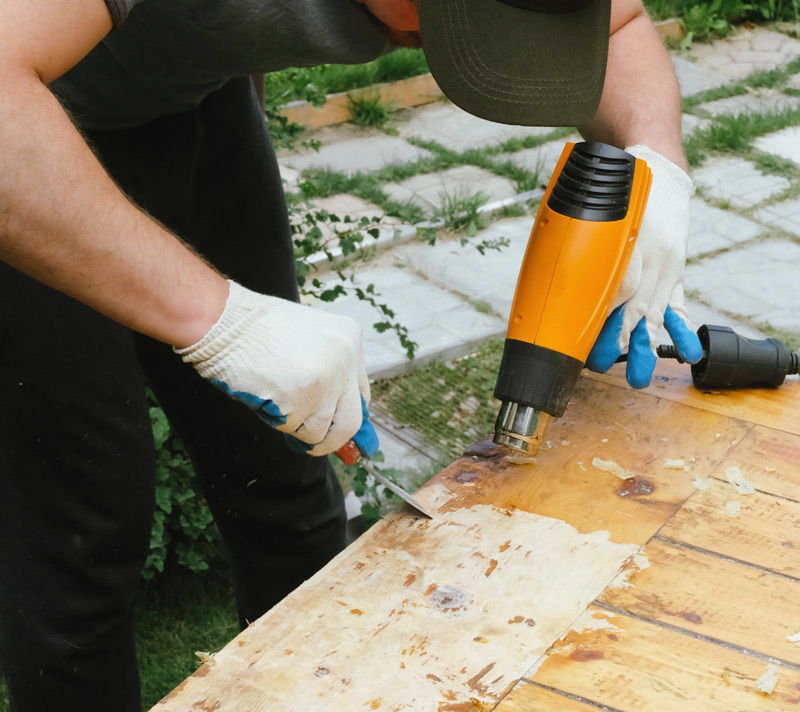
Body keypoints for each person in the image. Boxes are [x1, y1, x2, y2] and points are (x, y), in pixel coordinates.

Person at [0, 0, 701, 709]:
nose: (421, 42)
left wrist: (660, 166)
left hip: (182, 104)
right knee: (84, 532)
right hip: (20, 132)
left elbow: (618, 26)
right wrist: (220, 320)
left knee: (289, 465)